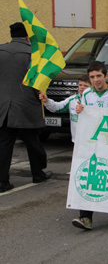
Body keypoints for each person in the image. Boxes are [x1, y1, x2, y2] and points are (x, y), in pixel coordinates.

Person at [72, 61, 108, 230]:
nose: (96, 80)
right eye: (92, 77)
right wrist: (80, 111)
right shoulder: (87, 95)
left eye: (99, 76)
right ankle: (85, 217)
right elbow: (85, 116)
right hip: (93, 143)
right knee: (89, 176)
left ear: (106, 76)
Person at [0, 22, 52, 192]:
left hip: (4, 106)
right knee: (32, 140)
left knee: (5, 143)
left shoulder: (1, 50)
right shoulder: (33, 54)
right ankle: (38, 173)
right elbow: (39, 80)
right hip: (26, 104)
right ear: (27, 36)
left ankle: (3, 181)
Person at [39, 75, 90, 143]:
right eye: (80, 85)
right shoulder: (72, 100)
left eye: (85, 86)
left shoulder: (96, 100)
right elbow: (57, 107)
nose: (82, 87)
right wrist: (46, 101)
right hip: (77, 142)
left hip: (93, 141)